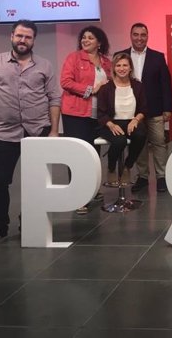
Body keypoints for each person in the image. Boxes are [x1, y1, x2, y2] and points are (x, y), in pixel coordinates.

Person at [0, 20, 61, 249]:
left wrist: (54, 130)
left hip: (38, 130)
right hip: (4, 132)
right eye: (19, 36)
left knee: (37, 182)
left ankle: (30, 223)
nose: (23, 40)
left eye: (28, 37)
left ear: (34, 40)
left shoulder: (44, 65)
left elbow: (54, 98)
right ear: (12, 36)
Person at [60, 25, 112, 214]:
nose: (86, 40)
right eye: (84, 37)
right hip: (76, 113)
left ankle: (92, 189)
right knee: (78, 155)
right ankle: (78, 197)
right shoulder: (73, 58)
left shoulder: (106, 62)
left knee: (93, 153)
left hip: (97, 115)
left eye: (90, 38)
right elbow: (65, 82)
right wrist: (91, 89)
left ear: (99, 42)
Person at [118, 23, 172, 194]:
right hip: (130, 111)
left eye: (143, 35)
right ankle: (142, 176)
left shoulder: (158, 57)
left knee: (159, 143)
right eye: (136, 34)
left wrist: (168, 108)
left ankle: (161, 177)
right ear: (130, 35)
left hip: (155, 109)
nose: (139, 38)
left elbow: (166, 84)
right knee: (138, 144)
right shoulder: (121, 56)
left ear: (147, 36)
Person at [97, 53, 148, 186]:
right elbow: (101, 114)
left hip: (131, 121)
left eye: (125, 65)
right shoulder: (106, 88)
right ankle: (111, 167)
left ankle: (128, 166)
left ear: (130, 68)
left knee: (141, 134)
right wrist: (111, 125)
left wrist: (136, 120)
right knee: (119, 141)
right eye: (118, 65)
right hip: (110, 123)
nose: (122, 68)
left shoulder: (138, 86)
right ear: (113, 68)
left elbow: (144, 109)